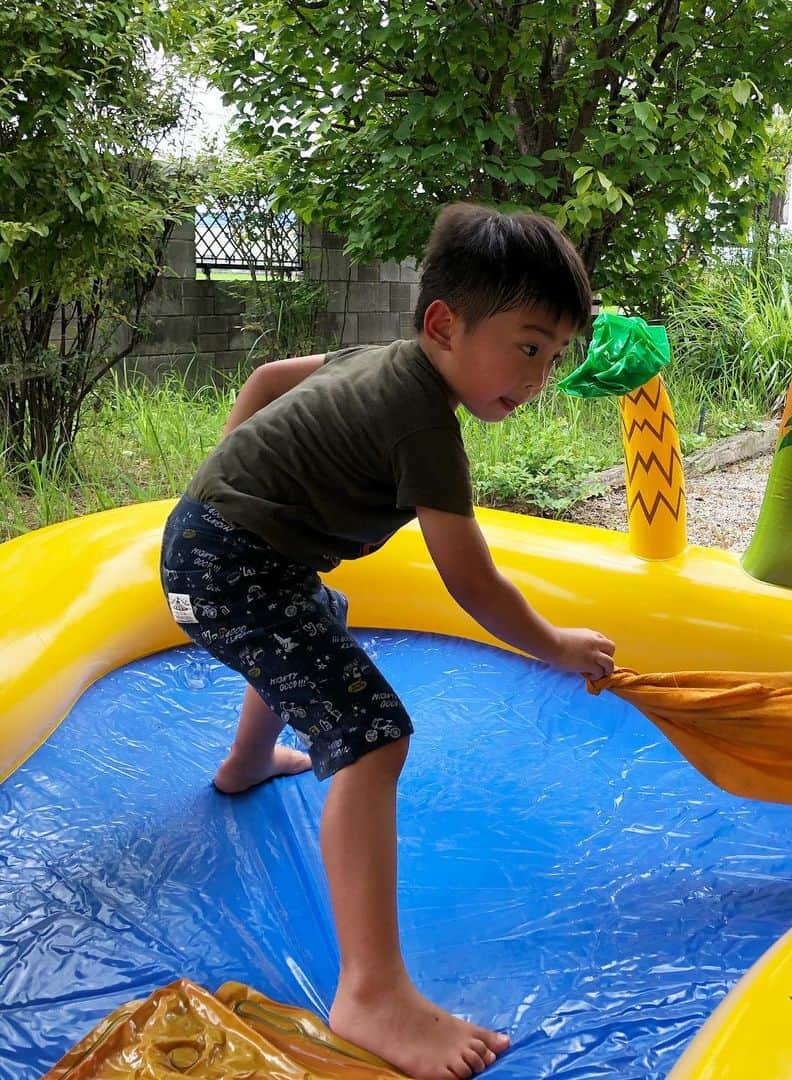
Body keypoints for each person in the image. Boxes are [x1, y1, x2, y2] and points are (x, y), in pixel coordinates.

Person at [159, 203, 616, 1080]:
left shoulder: (388, 362)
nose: (538, 378)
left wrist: (229, 472)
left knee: (313, 621)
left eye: (555, 358)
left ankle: (245, 764)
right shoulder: (425, 424)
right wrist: (555, 644)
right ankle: (370, 992)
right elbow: (472, 581)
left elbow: (264, 379)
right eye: (527, 347)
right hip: (227, 566)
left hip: (222, 546)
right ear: (445, 323)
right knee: (372, 738)